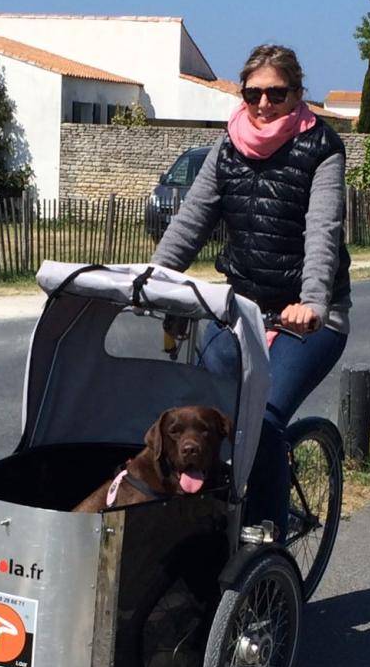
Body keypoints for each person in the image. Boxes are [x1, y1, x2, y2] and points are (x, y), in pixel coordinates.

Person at [150, 44, 351, 535]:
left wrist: (314, 302)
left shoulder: (320, 148)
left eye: (276, 94)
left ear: (297, 95)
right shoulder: (227, 148)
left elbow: (322, 229)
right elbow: (191, 221)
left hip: (307, 320)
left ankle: (266, 544)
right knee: (198, 418)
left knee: (261, 422)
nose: (264, 105)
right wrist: (151, 280)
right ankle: (209, 517)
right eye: (254, 93)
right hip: (242, 311)